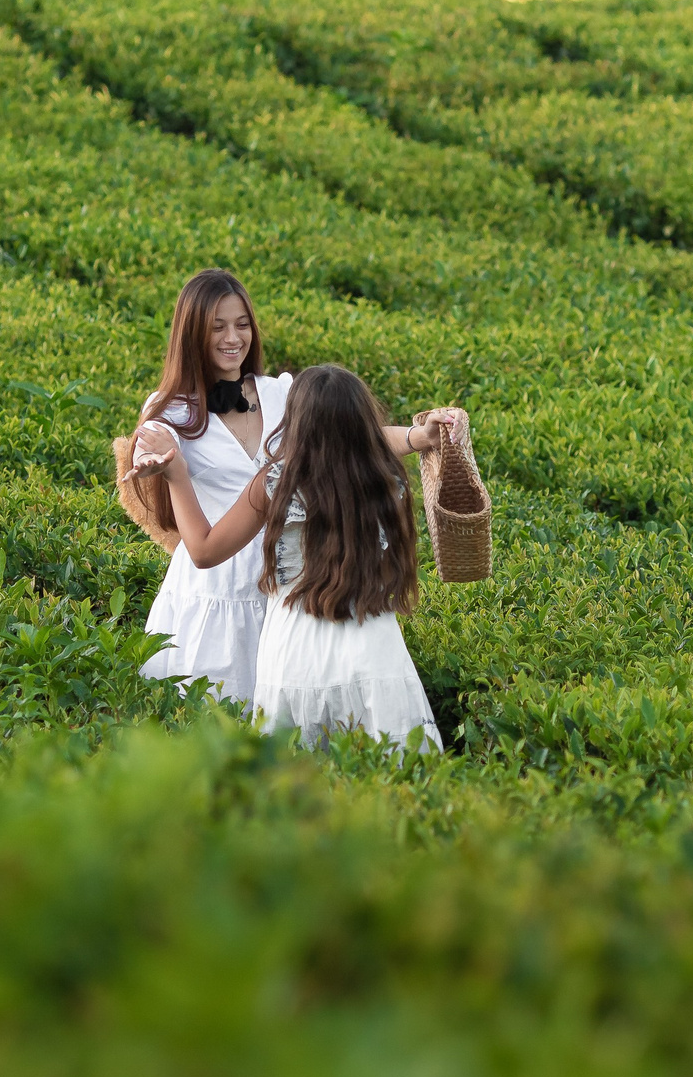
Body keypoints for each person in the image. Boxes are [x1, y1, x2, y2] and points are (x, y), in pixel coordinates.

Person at [125, 269, 462, 705]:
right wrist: (159, 465)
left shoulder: (280, 392)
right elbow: (148, 453)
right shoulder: (168, 409)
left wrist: (419, 437)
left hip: (289, 581)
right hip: (216, 593)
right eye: (217, 327)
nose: (233, 338)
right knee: (212, 723)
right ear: (191, 333)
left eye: (242, 324)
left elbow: (349, 437)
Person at [135, 363, 457, 750]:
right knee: (388, 765)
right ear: (363, 423)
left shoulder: (273, 485)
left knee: (295, 773)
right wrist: (418, 436)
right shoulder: (386, 483)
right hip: (373, 641)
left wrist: (178, 475)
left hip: (294, 648)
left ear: (295, 424)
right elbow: (370, 445)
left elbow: (203, 551)